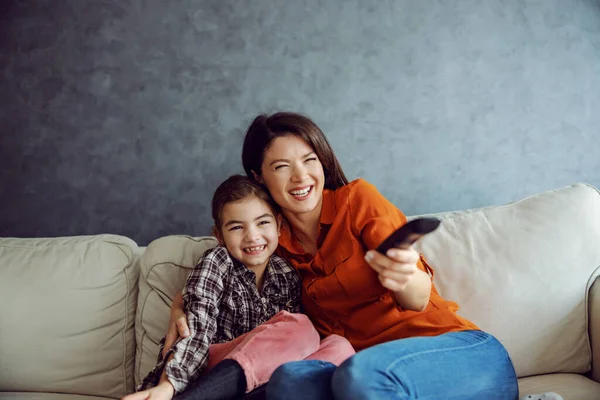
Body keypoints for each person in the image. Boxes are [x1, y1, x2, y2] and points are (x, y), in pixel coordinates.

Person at [164, 113, 562, 400]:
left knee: (360, 375)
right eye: (282, 167)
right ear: (258, 177)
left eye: (309, 161)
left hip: (458, 354)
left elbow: (418, 297)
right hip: (366, 378)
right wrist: (179, 304)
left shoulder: (358, 201)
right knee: (289, 383)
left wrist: (404, 272)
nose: (301, 177)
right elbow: (224, 272)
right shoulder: (269, 244)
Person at [122, 174, 354, 400]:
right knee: (300, 327)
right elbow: (196, 329)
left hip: (263, 379)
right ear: (220, 236)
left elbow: (290, 348)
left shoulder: (287, 274)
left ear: (279, 226)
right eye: (236, 228)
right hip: (210, 370)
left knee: (339, 346)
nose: (252, 236)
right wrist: (167, 387)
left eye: (262, 222)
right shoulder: (217, 261)